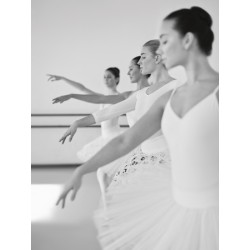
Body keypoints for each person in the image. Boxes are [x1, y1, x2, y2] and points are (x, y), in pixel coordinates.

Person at [56, 6, 218, 249]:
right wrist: (82, 170)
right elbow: (125, 140)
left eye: (164, 41)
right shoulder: (167, 98)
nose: (161, 50)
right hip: (177, 203)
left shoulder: (216, 91)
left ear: (187, 40)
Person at [58, 40, 180, 201]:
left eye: (143, 57)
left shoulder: (177, 87)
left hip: (169, 159)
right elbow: (110, 111)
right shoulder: (141, 94)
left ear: (157, 58)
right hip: (145, 158)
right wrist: (78, 122)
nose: (140, 61)